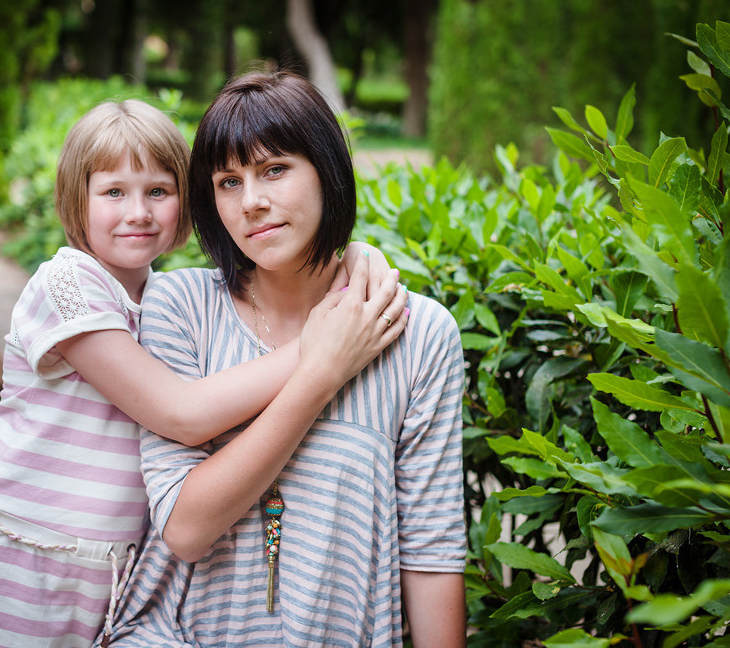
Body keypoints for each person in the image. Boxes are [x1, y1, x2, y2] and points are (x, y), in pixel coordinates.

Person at [0, 98, 408, 648]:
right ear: (75, 200)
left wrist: (355, 259)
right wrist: (322, 350)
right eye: (112, 193)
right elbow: (182, 413)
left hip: (105, 571)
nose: (139, 213)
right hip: (14, 551)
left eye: (158, 191)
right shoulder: (67, 288)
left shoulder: (161, 297)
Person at [103, 71, 467, 647]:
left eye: (275, 170)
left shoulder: (416, 334)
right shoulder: (181, 307)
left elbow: (431, 550)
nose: (252, 202)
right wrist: (318, 373)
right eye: (228, 181)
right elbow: (186, 529)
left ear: (327, 171)